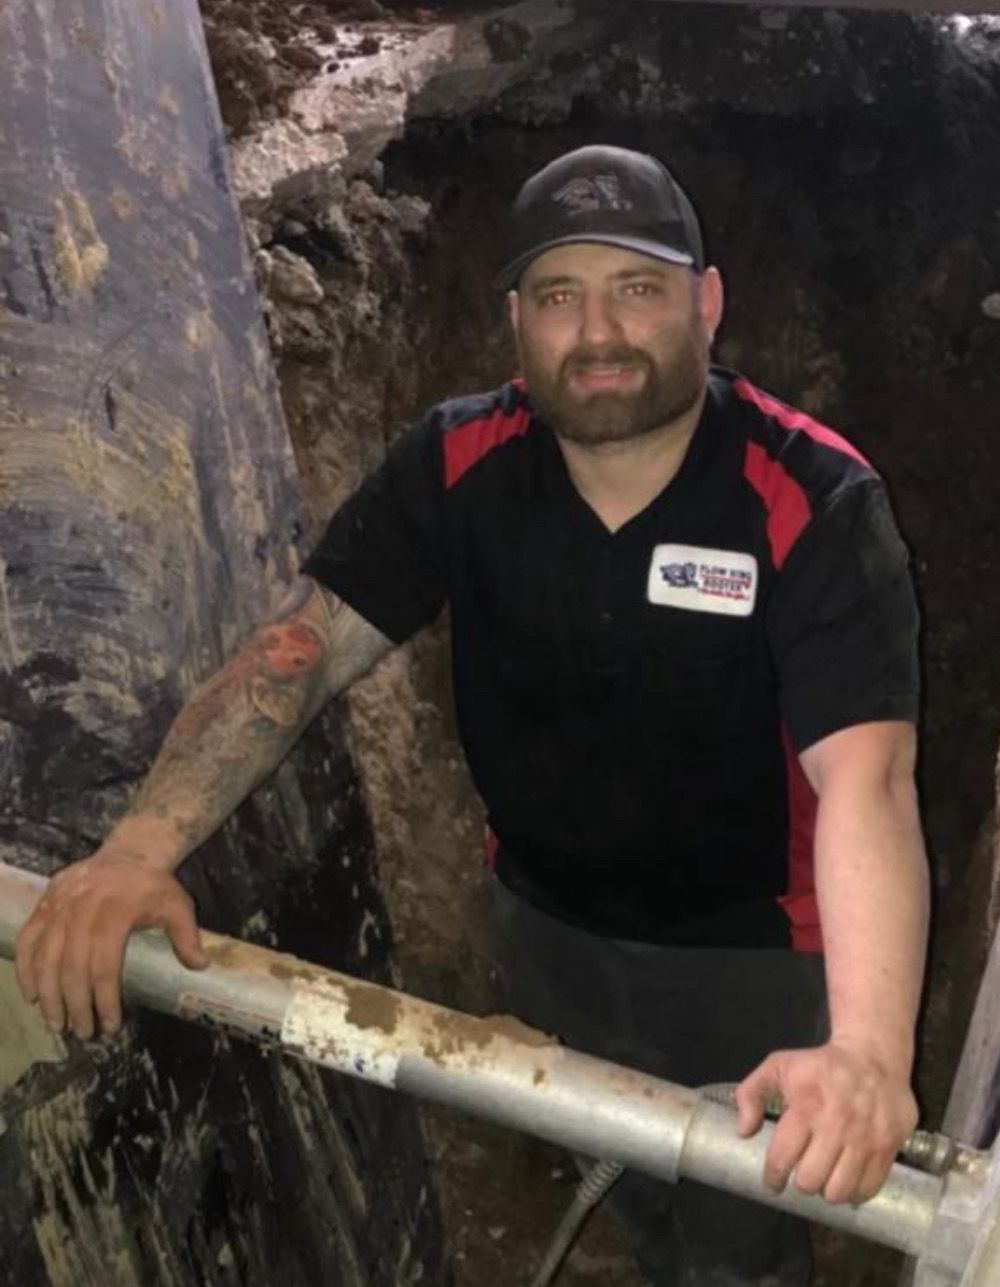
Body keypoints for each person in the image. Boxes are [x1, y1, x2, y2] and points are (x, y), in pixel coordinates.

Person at [15, 145, 929, 1286]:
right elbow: (298, 653)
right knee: (627, 1171)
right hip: (543, 929)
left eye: (637, 289)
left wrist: (868, 1049)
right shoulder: (459, 462)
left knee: (739, 1232)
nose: (598, 332)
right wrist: (135, 851)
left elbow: (867, 782)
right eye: (559, 296)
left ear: (707, 303)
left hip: (750, 956)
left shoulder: (811, 498)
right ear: (515, 321)